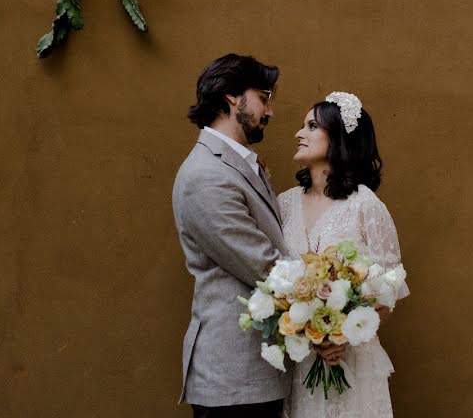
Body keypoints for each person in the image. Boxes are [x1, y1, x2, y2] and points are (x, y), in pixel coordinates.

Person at [172, 54, 291, 418]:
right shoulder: (206, 175)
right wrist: (332, 296)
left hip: (255, 377)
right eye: (264, 97)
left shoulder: (238, 165)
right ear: (231, 97)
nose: (270, 111)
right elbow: (263, 265)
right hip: (232, 382)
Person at [279, 91, 409, 418]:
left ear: (337, 139)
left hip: (350, 361)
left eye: (311, 126)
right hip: (299, 359)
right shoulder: (283, 204)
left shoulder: (365, 205)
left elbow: (391, 290)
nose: (299, 134)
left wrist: (343, 337)